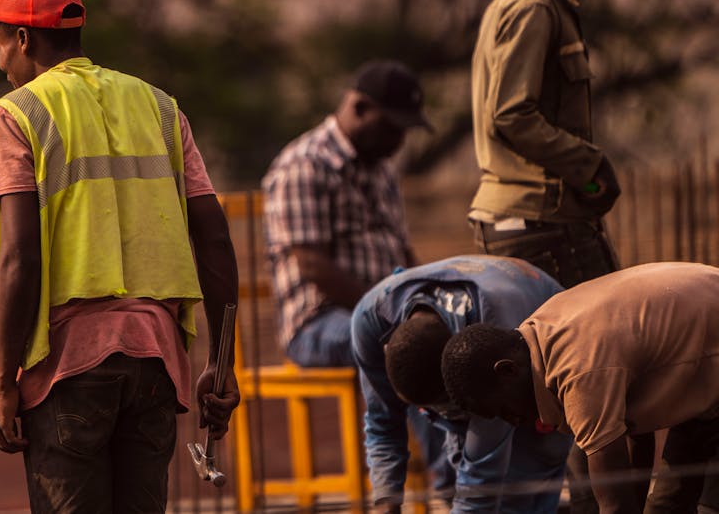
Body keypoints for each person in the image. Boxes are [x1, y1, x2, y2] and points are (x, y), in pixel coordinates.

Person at [0, 0, 241, 513]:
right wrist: (222, 361)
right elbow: (214, 240)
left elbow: (19, 258)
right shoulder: (160, 107)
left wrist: (0, 383)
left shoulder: (14, 116)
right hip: (157, 364)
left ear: (23, 37)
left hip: (69, 367)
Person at [442, 263, 719, 514]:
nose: (514, 422)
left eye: (504, 411)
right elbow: (635, 448)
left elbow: (615, 505)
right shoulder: (543, 327)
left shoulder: (577, 372)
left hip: (706, 367)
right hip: (699, 373)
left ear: (507, 370)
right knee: (666, 506)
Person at [468, 0, 638, 286]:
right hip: (539, 227)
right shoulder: (533, 7)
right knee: (599, 345)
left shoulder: (531, 1)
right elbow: (512, 115)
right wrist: (590, 166)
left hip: (537, 223)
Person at [352, 254, 571, 513]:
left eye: (452, 410)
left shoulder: (496, 331)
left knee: (520, 488)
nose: (442, 417)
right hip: (487, 334)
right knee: (453, 479)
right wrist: (386, 503)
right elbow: (382, 422)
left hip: (541, 340)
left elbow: (481, 483)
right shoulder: (371, 319)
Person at [262, 59, 430, 369]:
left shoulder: (383, 171)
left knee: (442, 337)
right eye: (391, 127)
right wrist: (385, 312)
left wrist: (428, 301)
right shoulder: (305, 165)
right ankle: (388, 420)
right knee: (407, 347)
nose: (398, 141)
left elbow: (404, 252)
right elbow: (313, 265)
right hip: (317, 323)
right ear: (360, 107)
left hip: (387, 314)